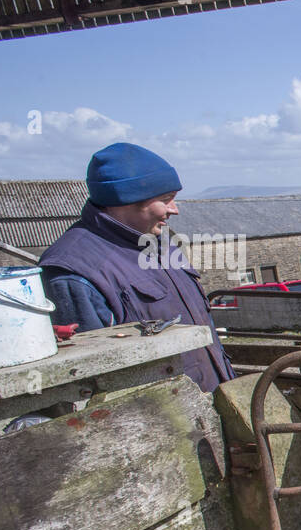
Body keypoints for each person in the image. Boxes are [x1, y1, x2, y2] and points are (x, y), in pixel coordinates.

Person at [39, 142, 235, 392]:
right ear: (127, 199)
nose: (174, 209)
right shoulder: (73, 271)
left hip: (210, 397)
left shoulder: (157, 242)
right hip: (160, 415)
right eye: (166, 200)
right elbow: (88, 379)